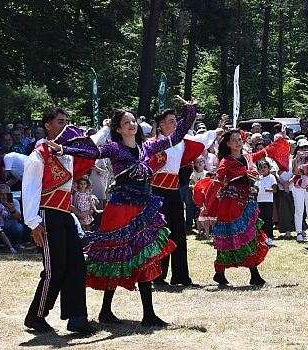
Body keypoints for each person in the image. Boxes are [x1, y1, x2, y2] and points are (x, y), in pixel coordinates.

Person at [49, 101, 198, 327]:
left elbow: (175, 137)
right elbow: (92, 151)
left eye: (133, 121)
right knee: (115, 257)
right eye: (126, 122)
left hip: (143, 208)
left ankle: (148, 314)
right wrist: (65, 149)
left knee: (144, 255)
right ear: (117, 128)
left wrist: (190, 111)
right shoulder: (114, 148)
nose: (131, 124)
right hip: (120, 208)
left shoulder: (147, 147)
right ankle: (106, 310)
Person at [22, 107, 95, 334]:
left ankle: (77, 318)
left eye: (67, 121)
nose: (65, 125)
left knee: (76, 264)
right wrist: (33, 223)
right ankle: (36, 315)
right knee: (55, 268)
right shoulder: (39, 154)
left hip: (64, 214)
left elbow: (93, 148)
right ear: (47, 125)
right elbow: (31, 189)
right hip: (47, 214)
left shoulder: (68, 153)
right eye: (60, 121)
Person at [201, 130, 290, 286]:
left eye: (239, 139)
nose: (238, 142)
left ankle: (252, 275)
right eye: (233, 140)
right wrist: (208, 203)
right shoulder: (225, 162)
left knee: (251, 236)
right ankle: (221, 273)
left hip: (247, 203)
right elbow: (217, 182)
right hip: (231, 206)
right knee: (228, 238)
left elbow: (264, 152)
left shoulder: (248, 157)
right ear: (228, 144)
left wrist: (279, 143)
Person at [149, 108, 218, 287]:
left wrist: (213, 131)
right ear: (161, 125)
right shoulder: (154, 144)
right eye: (171, 121)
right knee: (161, 233)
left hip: (173, 191)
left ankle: (181, 276)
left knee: (178, 233)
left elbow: (200, 140)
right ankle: (157, 275)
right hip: (157, 192)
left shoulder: (181, 142)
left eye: (175, 120)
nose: (175, 124)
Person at [291, 138, 308, 242]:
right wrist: (297, 159)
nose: (304, 149)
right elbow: (295, 172)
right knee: (299, 210)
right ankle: (299, 232)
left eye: (306, 147)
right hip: (298, 187)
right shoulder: (294, 158)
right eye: (302, 147)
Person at [0, 183, 26, 249]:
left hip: (11, 226)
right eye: (1, 194)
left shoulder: (14, 202)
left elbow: (19, 218)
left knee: (19, 227)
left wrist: (12, 209)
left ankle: (16, 243)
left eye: (6, 194)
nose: (4, 196)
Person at [256, 160, 277, 247]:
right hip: (259, 201)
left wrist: (267, 190)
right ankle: (262, 238)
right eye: (261, 167)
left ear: (268, 168)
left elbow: (275, 189)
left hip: (268, 201)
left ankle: (269, 237)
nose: (263, 169)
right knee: (261, 220)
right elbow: (256, 188)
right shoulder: (259, 178)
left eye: (265, 167)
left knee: (268, 219)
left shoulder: (271, 177)